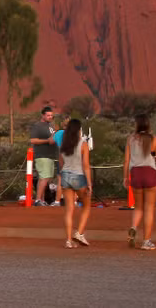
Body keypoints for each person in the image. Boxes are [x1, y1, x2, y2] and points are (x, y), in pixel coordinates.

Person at [123, 114, 156, 250]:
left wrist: (125, 177)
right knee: (149, 209)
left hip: (135, 173)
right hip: (150, 173)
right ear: (148, 125)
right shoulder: (155, 140)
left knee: (138, 207)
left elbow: (126, 160)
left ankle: (133, 227)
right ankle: (146, 241)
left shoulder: (130, 139)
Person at [59, 118, 93, 248]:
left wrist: (63, 172)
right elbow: (86, 165)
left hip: (66, 176)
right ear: (79, 130)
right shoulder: (83, 144)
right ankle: (79, 232)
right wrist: (89, 183)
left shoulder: (64, 144)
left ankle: (68, 240)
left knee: (69, 209)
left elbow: (60, 160)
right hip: (79, 176)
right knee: (86, 205)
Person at [29, 106, 60, 206]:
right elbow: (32, 140)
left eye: (51, 115)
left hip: (50, 155)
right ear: (43, 115)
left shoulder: (50, 126)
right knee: (44, 177)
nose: (50, 117)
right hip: (42, 155)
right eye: (48, 115)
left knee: (46, 178)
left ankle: (41, 200)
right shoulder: (38, 126)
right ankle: (38, 200)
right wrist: (47, 141)